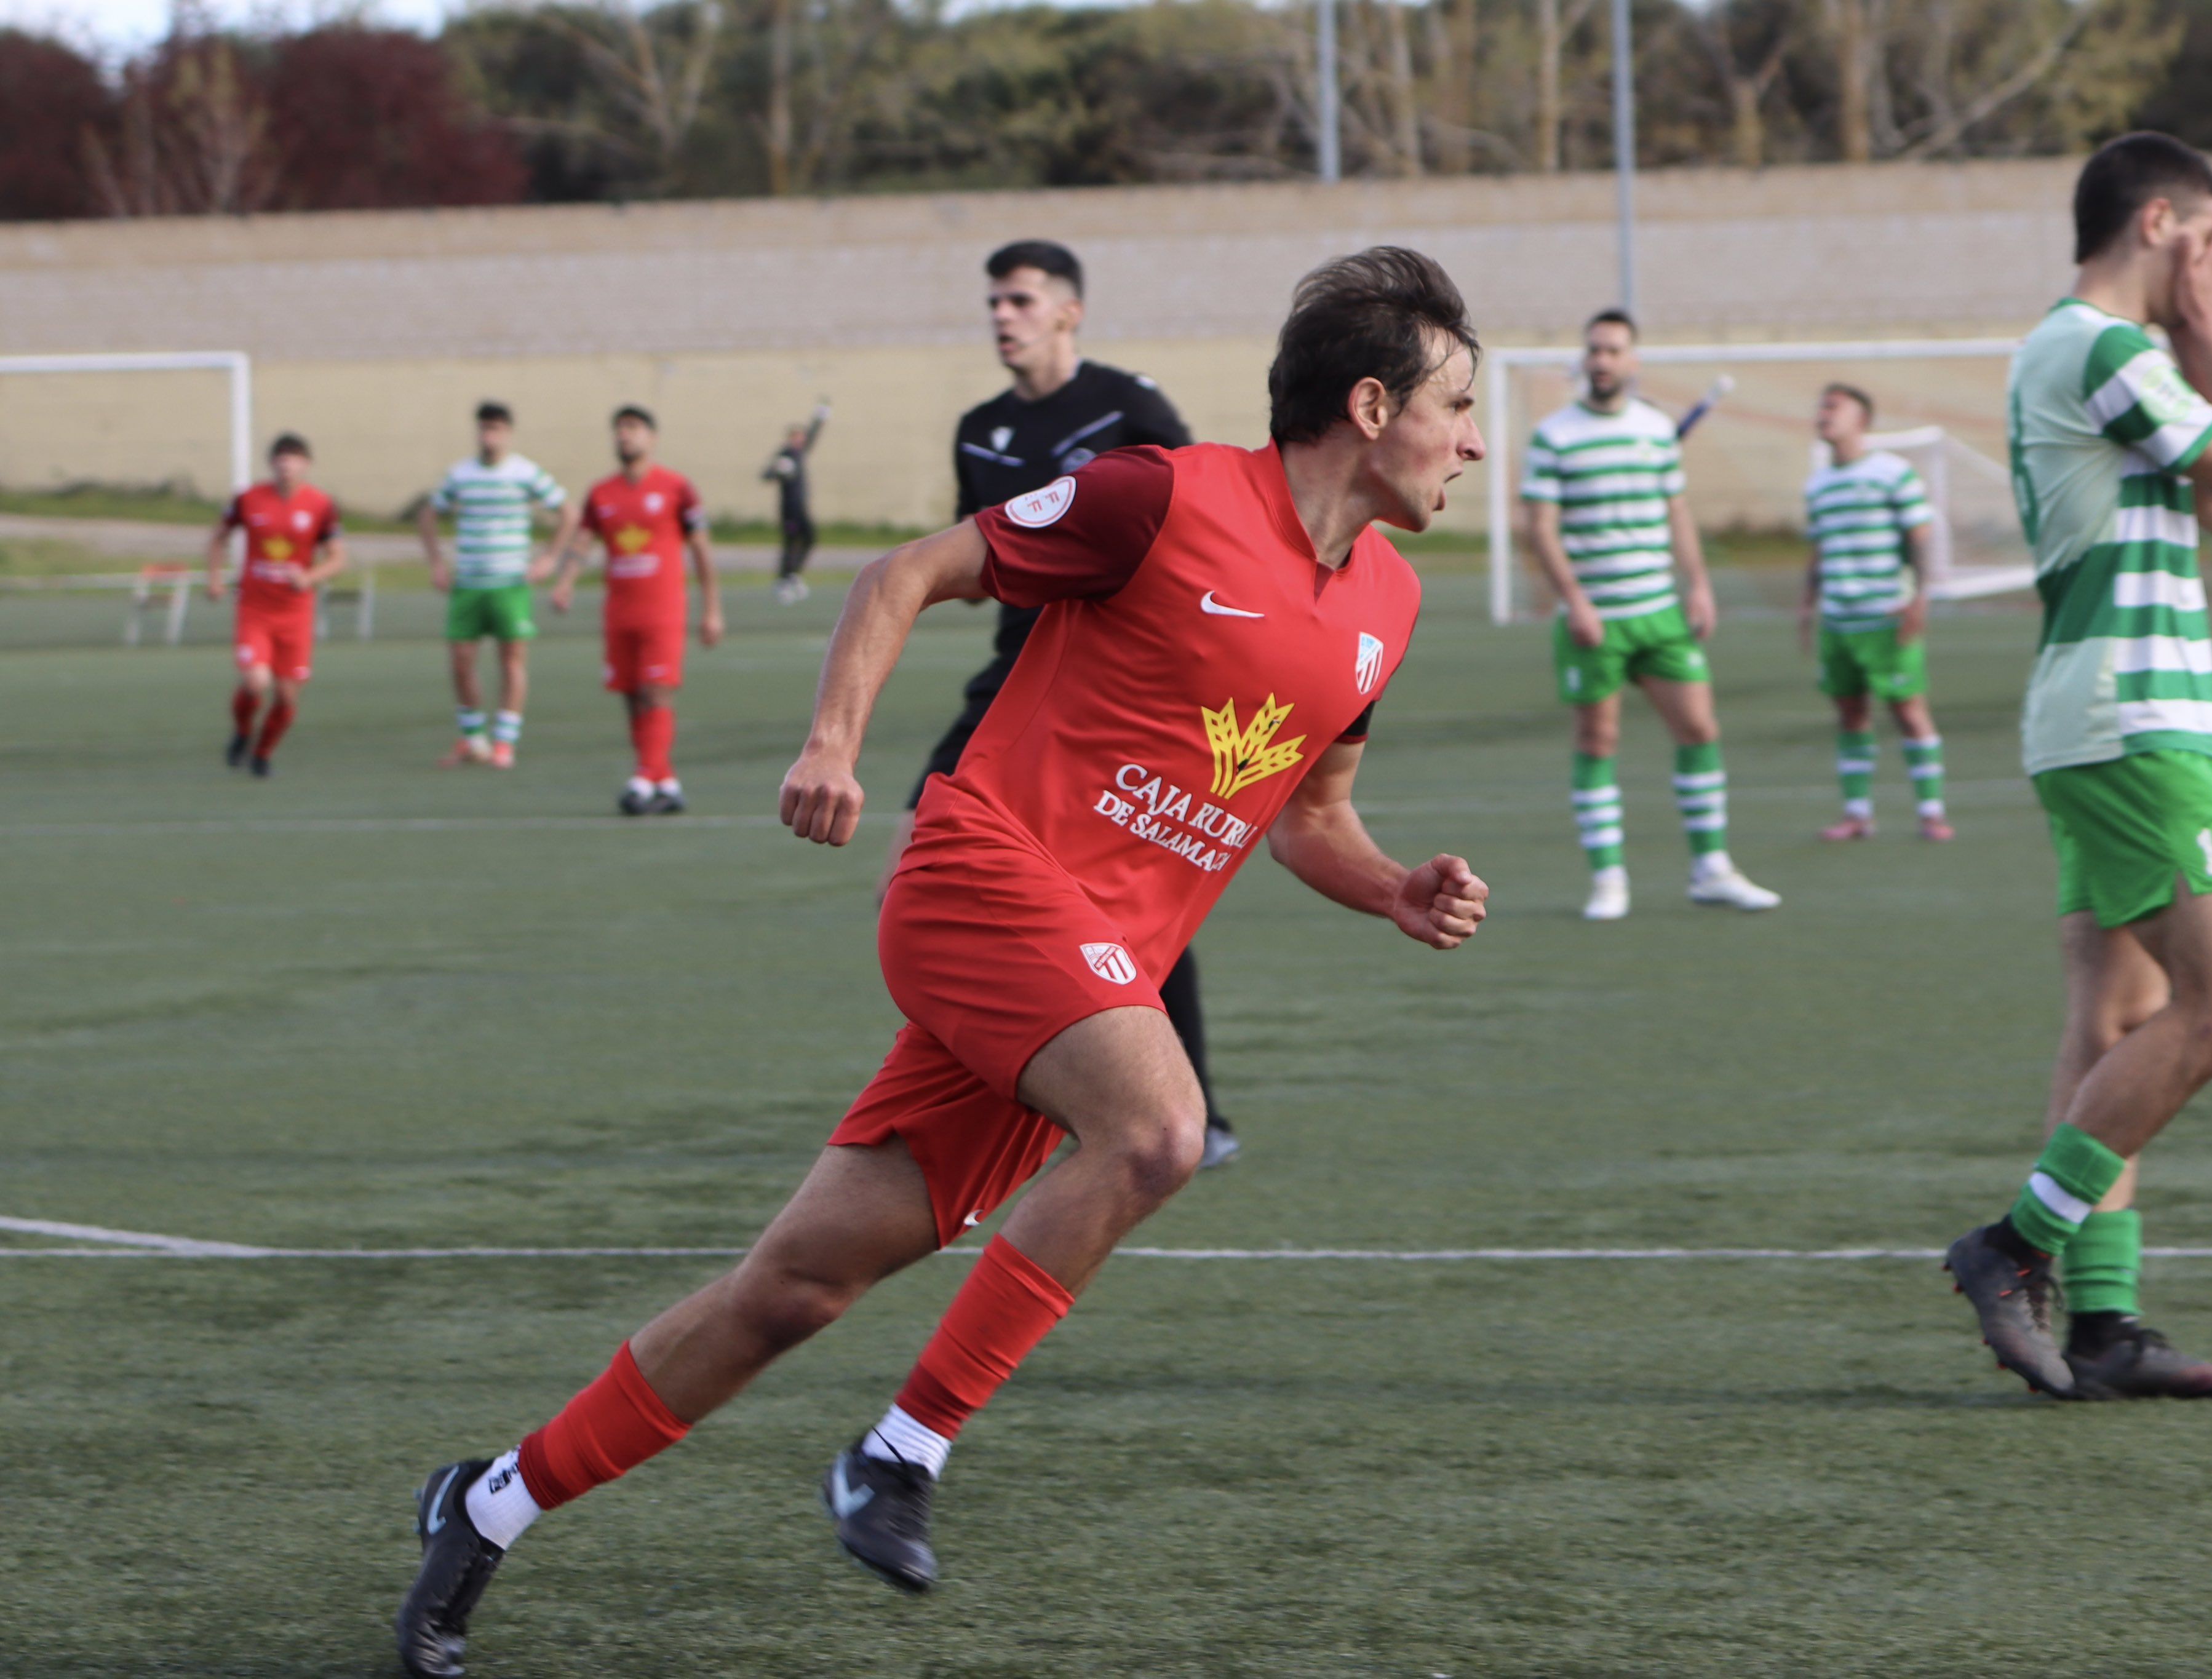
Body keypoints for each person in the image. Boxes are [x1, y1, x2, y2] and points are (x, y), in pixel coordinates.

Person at [393, 246, 1491, 1678]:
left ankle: (485, 1503)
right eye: (1458, 406)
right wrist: (831, 745)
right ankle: (899, 1454)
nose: (1473, 442)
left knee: (791, 1291)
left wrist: (1392, 886)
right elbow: (908, 570)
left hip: (1082, 981)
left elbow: (1309, 820)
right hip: (981, 880)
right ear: (1368, 405)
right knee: (1160, 1129)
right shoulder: (1158, 495)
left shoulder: (1388, 605)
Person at [1949, 132, 2212, 1402]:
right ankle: (2015, 1245)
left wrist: (2190, 340)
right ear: (2159, 225)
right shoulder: (2104, 349)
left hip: (2097, 716)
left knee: (2115, 1022)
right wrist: (2207, 330)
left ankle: (2102, 1325)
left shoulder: (2085, 354)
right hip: (2133, 721)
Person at [900, 238, 1241, 1166]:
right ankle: (984, 1093)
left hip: (1116, 688)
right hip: (1015, 676)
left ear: (1068, 311)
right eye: (994, 302)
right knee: (925, 855)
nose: (1001, 316)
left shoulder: (1129, 408)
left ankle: (1192, 1108)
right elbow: (986, 562)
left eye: (1019, 300)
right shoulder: (980, 427)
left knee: (1121, 907)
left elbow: (1205, 527)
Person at [1519, 308, 1780, 921]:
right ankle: (1608, 879)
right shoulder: (1554, 436)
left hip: (1659, 611)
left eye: (1613, 350)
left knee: (1699, 729)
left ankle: (1712, 869)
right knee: (1598, 740)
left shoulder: (1656, 430)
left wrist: (1700, 586)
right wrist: (1575, 601)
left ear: (1632, 361)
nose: (1602, 361)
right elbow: (1540, 528)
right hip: (1595, 619)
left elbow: (1677, 513)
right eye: (1594, 350)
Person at [550, 407, 725, 815]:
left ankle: (643, 777)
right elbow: (583, 541)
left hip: (663, 611)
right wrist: (565, 582)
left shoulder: (676, 488)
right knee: (631, 695)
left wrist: (712, 609)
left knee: (656, 690)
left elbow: (701, 549)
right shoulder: (601, 493)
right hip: (620, 612)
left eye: (633, 428)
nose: (624, 435)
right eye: (619, 429)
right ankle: (664, 782)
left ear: (652, 437)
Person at [1799, 383, 1953, 843]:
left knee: (1908, 711)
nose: (1823, 413)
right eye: (1821, 406)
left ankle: (1931, 812)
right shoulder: (1818, 484)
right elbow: (1820, 549)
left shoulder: (1893, 473)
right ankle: (1857, 814)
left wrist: (1920, 597)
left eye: (1834, 406)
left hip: (1887, 615)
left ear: (1861, 420)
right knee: (1850, 714)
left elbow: (1920, 537)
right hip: (1839, 619)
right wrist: (1807, 604)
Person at [420, 402, 577, 769]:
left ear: (508, 433)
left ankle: (505, 741)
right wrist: (437, 562)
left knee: (512, 660)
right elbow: (429, 514)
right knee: (461, 660)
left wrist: (549, 558)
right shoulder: (461, 474)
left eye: (496, 429)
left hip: (510, 584)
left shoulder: (525, 472)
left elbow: (568, 512)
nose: (489, 436)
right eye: (484, 428)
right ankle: (474, 739)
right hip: (469, 583)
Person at [205, 432, 343, 778]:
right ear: (271, 464)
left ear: (306, 465)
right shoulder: (249, 499)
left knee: (287, 697)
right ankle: (242, 732)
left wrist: (309, 577)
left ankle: (263, 753)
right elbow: (219, 537)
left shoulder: (320, 505)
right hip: (255, 609)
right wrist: (215, 578)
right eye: (281, 458)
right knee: (256, 682)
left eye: (294, 458)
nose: (286, 465)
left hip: (296, 615)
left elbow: (338, 558)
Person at [765, 401, 830, 605]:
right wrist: (778, 469)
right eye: (797, 437)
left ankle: (793, 575)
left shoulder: (800, 454)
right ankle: (784, 581)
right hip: (790, 510)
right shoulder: (785, 455)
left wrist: (820, 418)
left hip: (801, 508)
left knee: (810, 538)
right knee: (791, 543)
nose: (801, 440)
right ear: (791, 438)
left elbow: (812, 436)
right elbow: (766, 476)